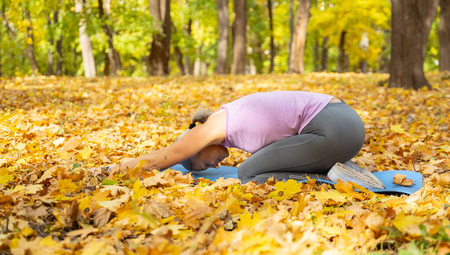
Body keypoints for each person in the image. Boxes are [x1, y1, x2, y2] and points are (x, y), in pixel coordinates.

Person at [104, 91, 365, 184]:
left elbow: (164, 157)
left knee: (248, 172)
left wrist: (110, 170)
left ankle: (333, 178)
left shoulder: (210, 128)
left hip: (333, 126)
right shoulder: (228, 122)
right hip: (342, 126)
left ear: (196, 144)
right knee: (260, 165)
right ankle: (338, 168)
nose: (216, 167)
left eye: (206, 164)